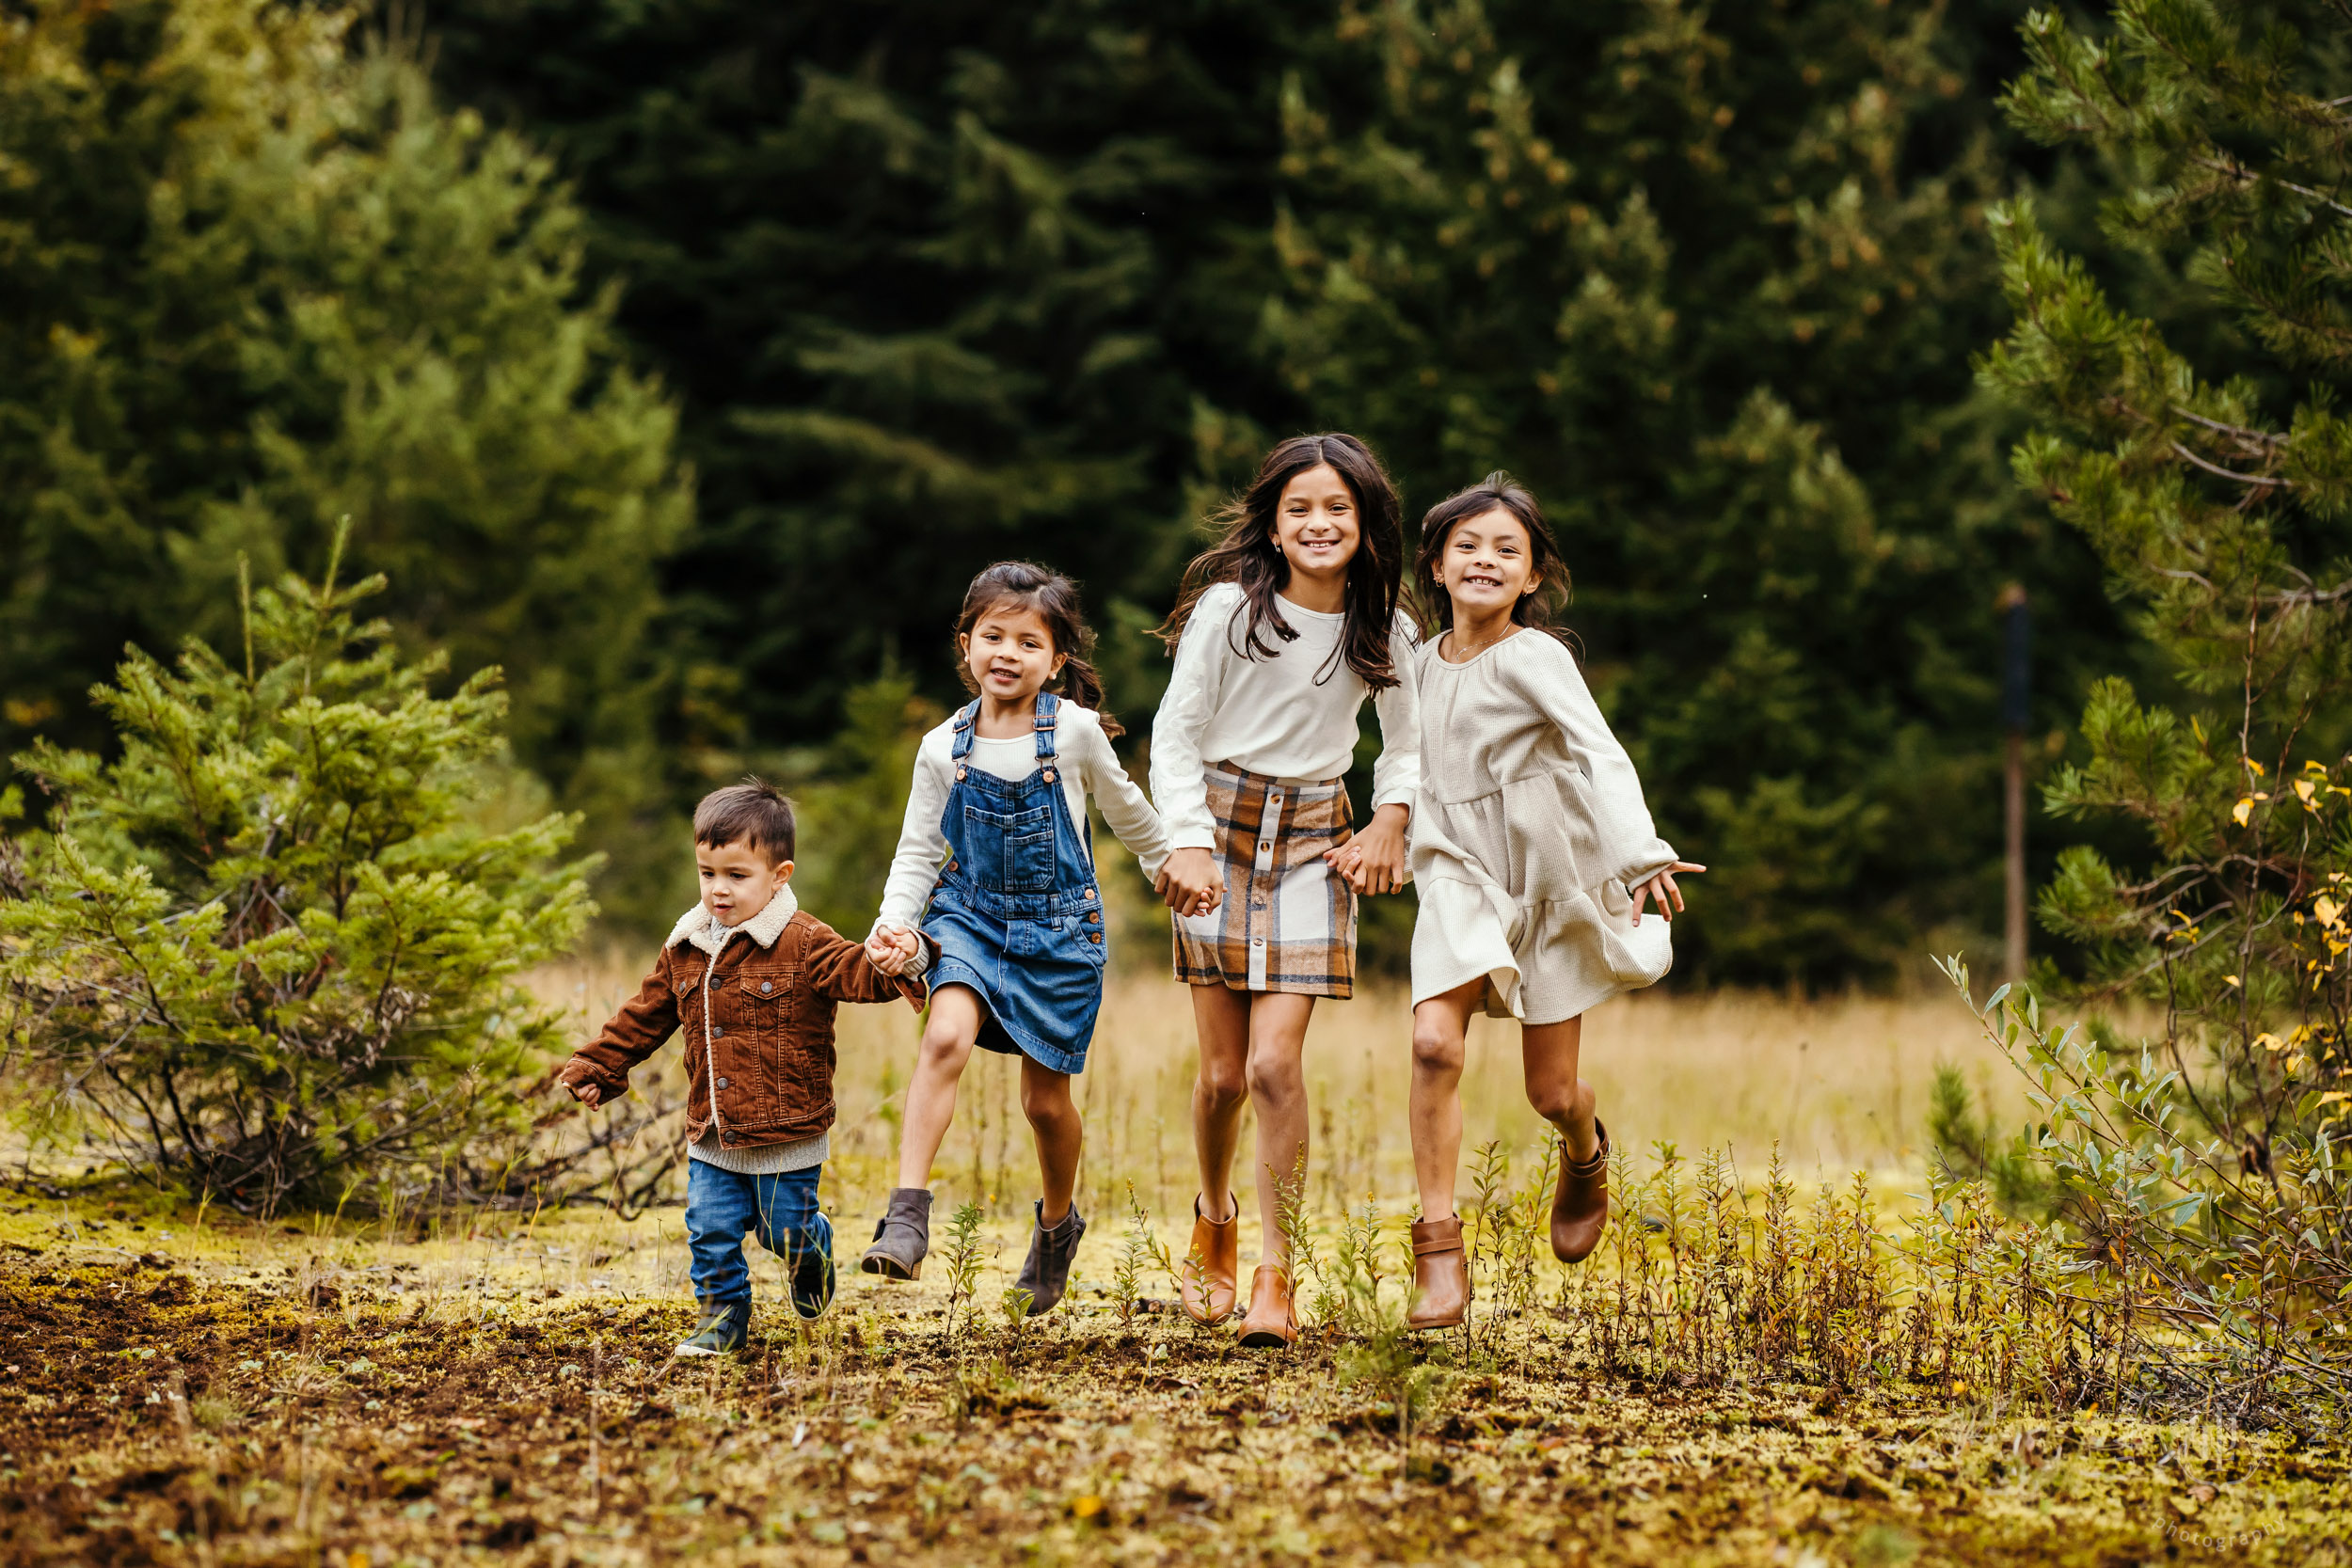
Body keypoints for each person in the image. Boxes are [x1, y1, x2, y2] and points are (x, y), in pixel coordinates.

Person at [1401, 474, 1704, 1330]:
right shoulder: (1417, 665)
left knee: (1552, 1089)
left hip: (1547, 873)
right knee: (1431, 1044)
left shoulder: (1537, 657)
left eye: (1508, 550)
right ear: (1437, 562)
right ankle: (1438, 1254)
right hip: (1458, 869)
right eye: (1469, 545)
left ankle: (1585, 1147)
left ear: (1533, 577)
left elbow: (1599, 751)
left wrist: (1641, 853)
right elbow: (1398, 764)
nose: (1486, 560)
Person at [1149, 433, 1421, 1347]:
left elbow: (1408, 741)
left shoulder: (1384, 623)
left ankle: (1277, 1271)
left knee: (1273, 1065)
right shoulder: (1231, 610)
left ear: (1364, 522)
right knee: (1223, 1073)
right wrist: (1183, 842)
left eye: (1336, 507)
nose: (1317, 522)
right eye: (1299, 506)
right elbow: (1175, 731)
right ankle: (1214, 1216)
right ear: (1272, 519)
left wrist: (1390, 818)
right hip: (1216, 829)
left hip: (1314, 836)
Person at [860, 562, 1171, 1313]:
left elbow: (1126, 810)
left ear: (1056, 660)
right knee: (944, 1039)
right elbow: (917, 850)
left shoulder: (1074, 731)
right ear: (966, 642)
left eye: (1028, 641)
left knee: (1044, 1103)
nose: (1007, 652)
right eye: (991, 635)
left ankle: (1057, 1227)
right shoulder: (942, 747)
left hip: (1060, 930)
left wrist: (1171, 864)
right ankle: (906, 1216)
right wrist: (895, 922)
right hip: (968, 916)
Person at [557, 781, 929, 1356]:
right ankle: (720, 1323)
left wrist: (891, 960)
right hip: (714, 1130)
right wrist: (600, 1063)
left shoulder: (803, 941)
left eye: (737, 875)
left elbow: (856, 973)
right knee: (710, 1232)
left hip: (787, 1129)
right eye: (708, 874)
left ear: (780, 874)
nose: (719, 890)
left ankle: (814, 1252)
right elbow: (647, 1014)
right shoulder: (686, 947)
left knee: (785, 1230)